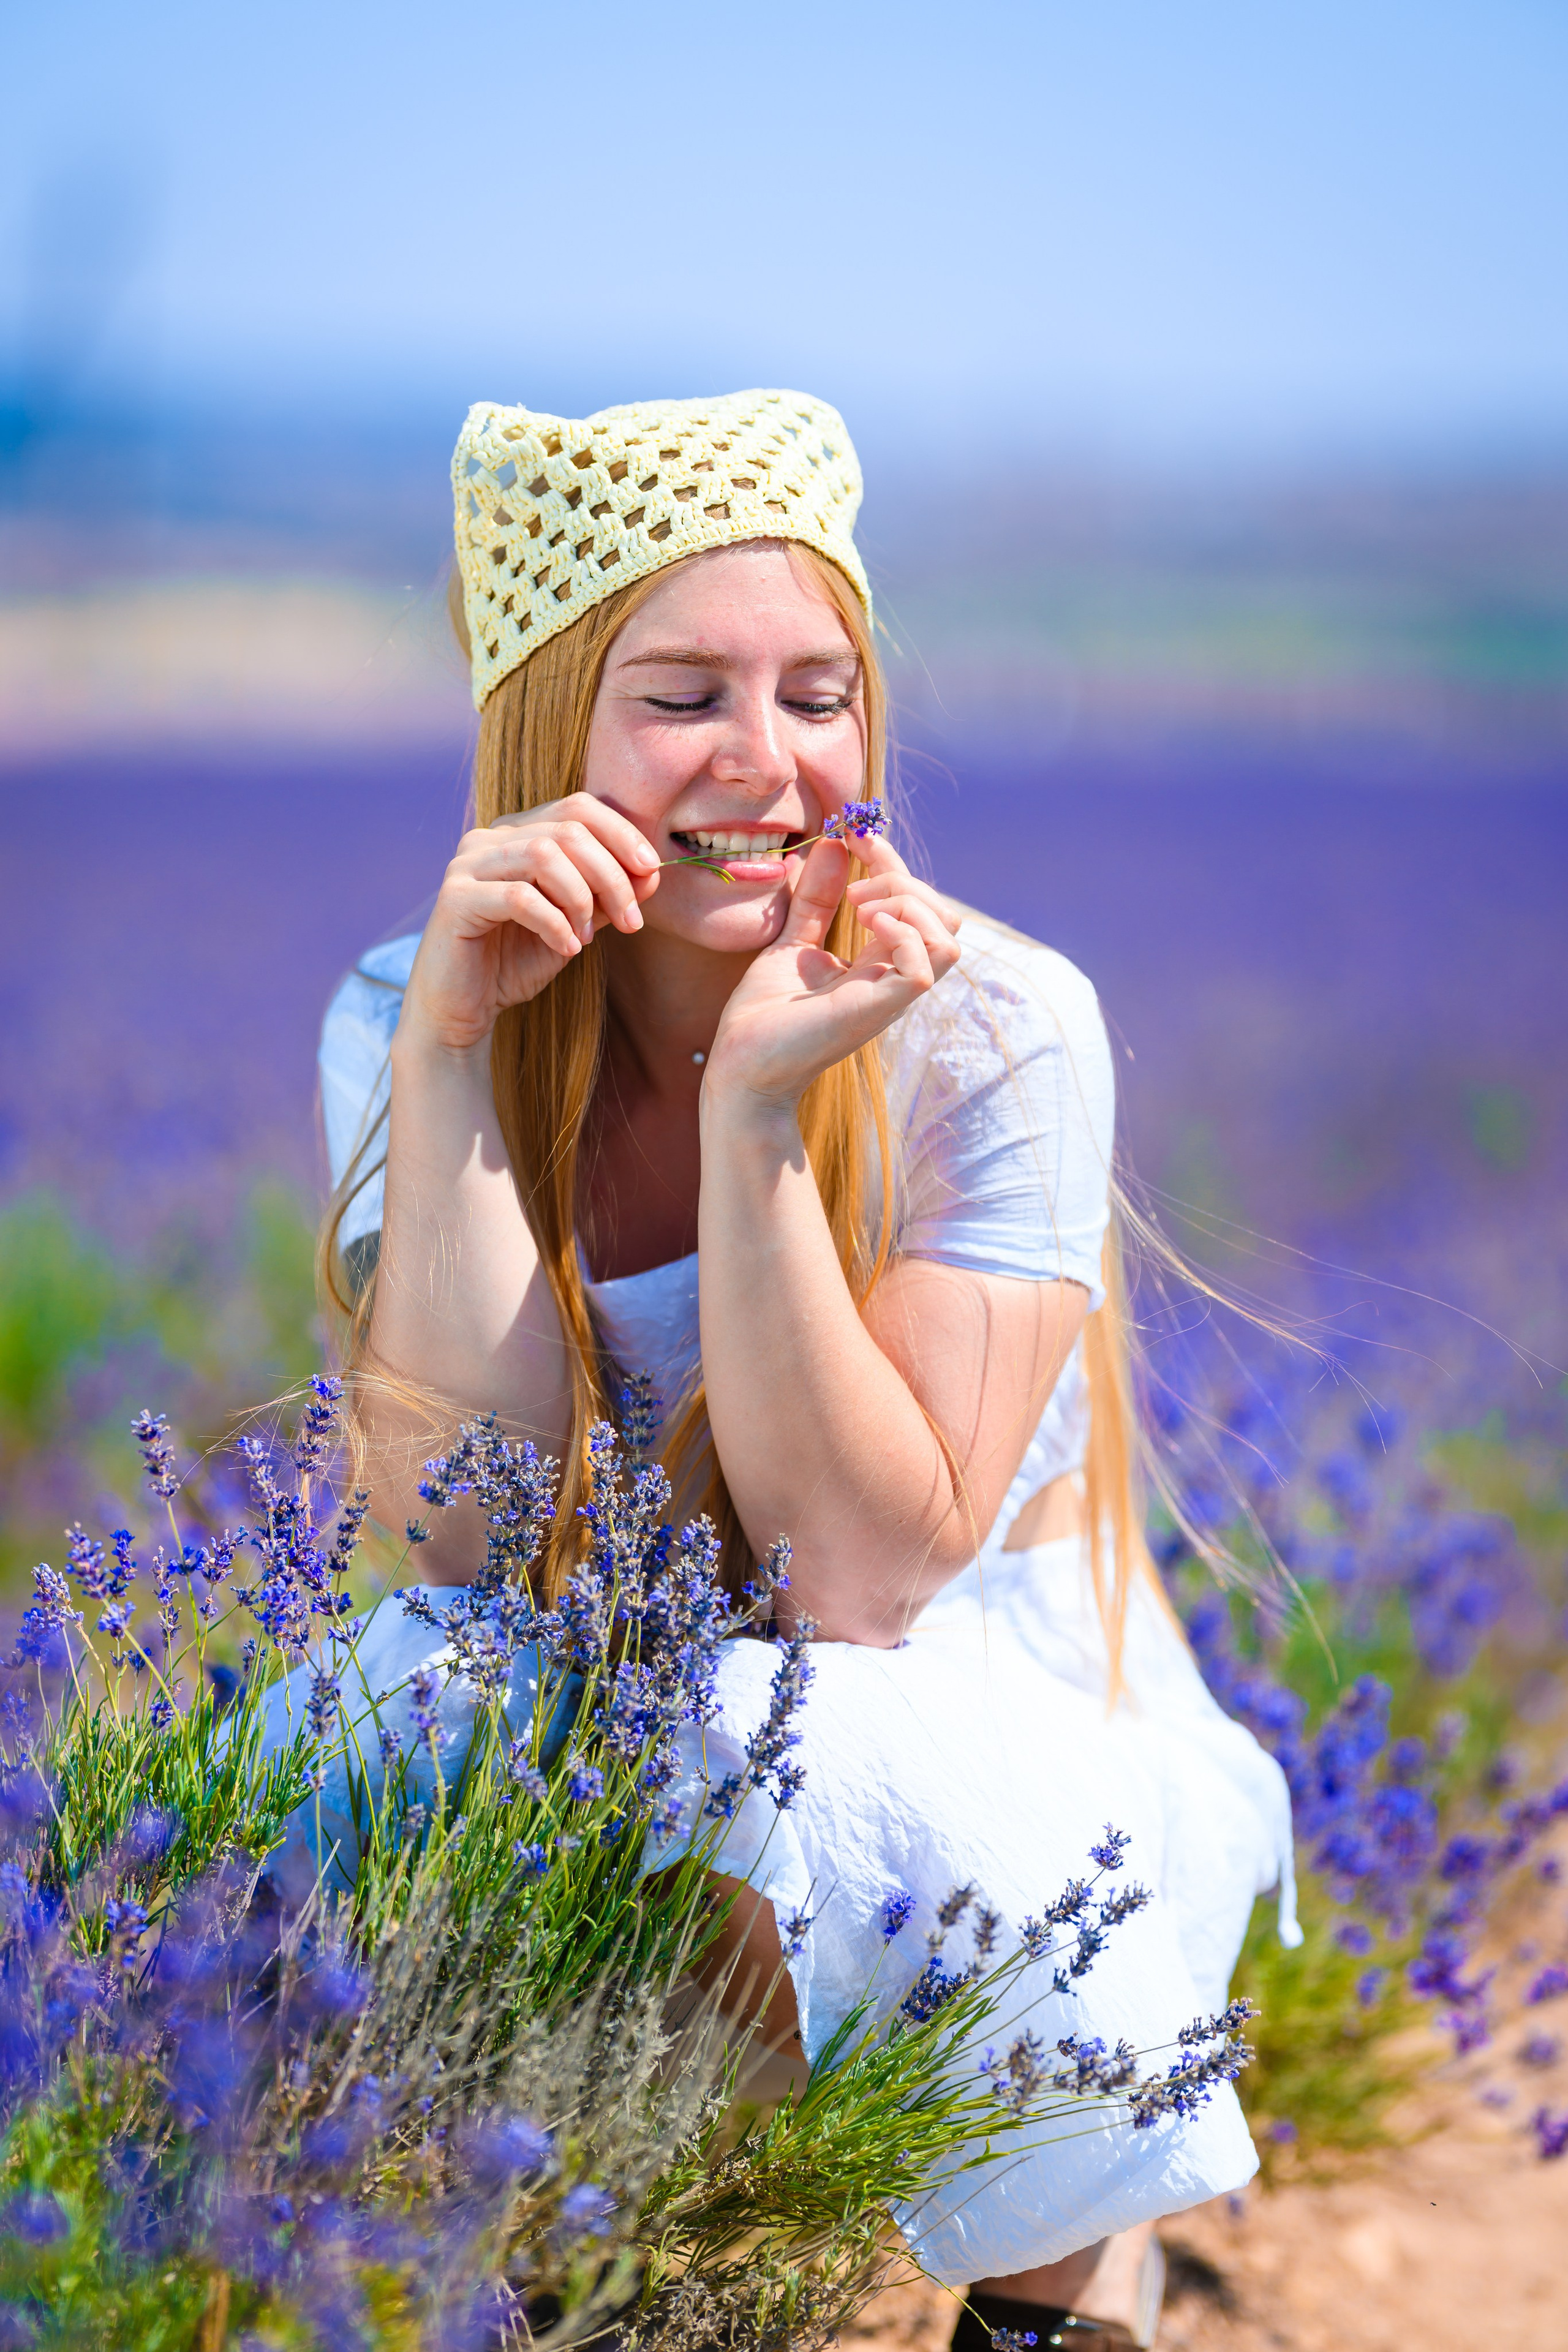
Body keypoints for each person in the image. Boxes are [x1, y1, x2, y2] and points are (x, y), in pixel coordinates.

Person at [315, 388, 1297, 2348]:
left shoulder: (995, 1024)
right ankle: (581, 2262)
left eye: (820, 693)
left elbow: (861, 1585)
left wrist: (764, 1121)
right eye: (681, 694)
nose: (766, 762)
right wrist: (445, 1068)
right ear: (545, 727)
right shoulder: (404, 1008)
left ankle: (1058, 2287)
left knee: (841, 1739)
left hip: (964, 1696)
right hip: (620, 1673)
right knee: (399, 1701)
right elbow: (456, 1545)